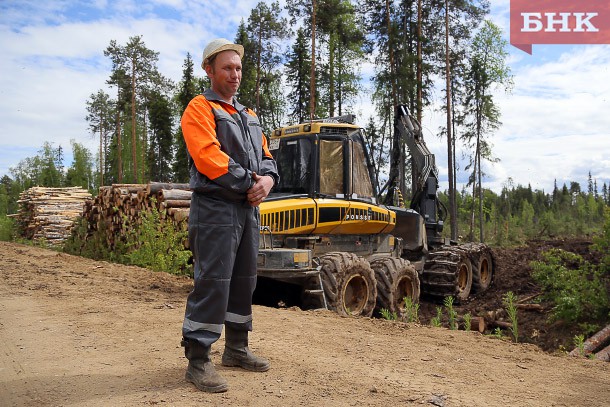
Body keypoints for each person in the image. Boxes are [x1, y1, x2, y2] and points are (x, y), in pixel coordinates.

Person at [180, 38, 279, 393]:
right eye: (227, 68)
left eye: (238, 68)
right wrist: (250, 183)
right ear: (209, 70)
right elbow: (208, 157)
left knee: (243, 281)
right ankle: (198, 360)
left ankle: (236, 349)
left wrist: (267, 179)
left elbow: (267, 156)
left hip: (246, 209)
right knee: (213, 282)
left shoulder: (249, 115)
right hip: (216, 209)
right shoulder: (199, 108)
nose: (234, 74)